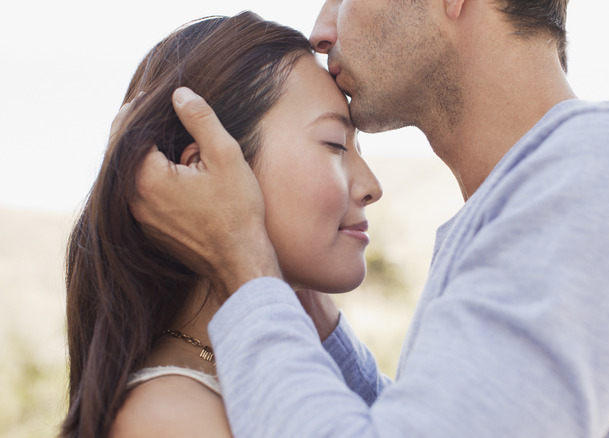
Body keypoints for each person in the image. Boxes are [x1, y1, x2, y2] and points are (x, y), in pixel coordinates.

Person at [130, 0, 609, 436]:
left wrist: (245, 268)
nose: (321, 30)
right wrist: (309, 316)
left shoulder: (595, 170)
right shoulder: (547, 191)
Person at [60, 11, 382, 437]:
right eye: (335, 144)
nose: (372, 186)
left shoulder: (224, 389)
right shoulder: (172, 419)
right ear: (200, 169)